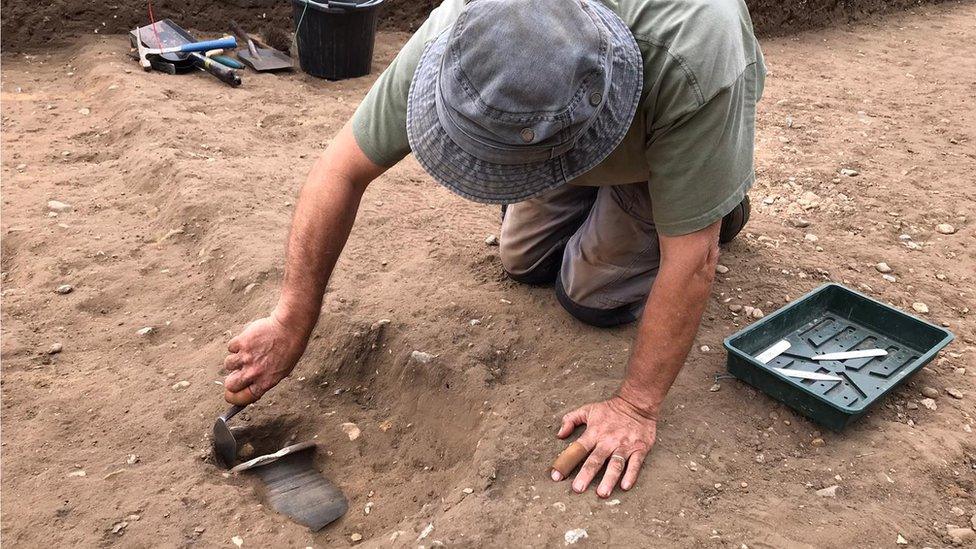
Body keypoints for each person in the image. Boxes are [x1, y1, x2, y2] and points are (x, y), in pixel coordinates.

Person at [222, 0, 765, 498]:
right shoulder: (466, 32)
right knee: (522, 261)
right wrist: (291, 317)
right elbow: (340, 170)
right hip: (555, 132)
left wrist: (635, 406)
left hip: (659, 128)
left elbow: (692, 262)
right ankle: (614, 199)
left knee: (590, 293)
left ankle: (711, 200)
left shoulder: (694, 57)